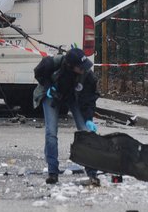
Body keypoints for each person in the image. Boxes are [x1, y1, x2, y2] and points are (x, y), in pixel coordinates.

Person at [33, 47, 100, 186]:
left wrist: (88, 118)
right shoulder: (52, 63)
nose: (84, 69)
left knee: (86, 132)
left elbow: (89, 98)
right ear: (70, 65)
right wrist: (49, 85)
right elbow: (39, 72)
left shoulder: (87, 75)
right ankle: (53, 173)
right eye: (80, 67)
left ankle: (92, 173)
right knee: (51, 132)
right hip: (53, 94)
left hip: (74, 97)